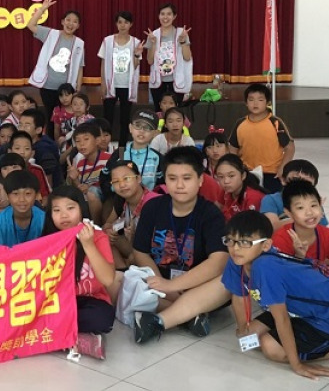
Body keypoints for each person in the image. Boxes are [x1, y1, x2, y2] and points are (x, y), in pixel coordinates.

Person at [220, 211, 329, 380]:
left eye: (245, 242)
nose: (235, 248)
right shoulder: (238, 259)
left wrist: (296, 364)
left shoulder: (266, 267)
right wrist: (243, 329)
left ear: (266, 245)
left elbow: (282, 319)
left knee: (271, 348)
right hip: (299, 310)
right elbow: (239, 296)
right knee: (250, 338)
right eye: (230, 240)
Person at [131, 147, 229, 343]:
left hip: (196, 286)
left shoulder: (211, 214)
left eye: (187, 178)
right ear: (165, 180)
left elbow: (218, 261)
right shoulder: (153, 207)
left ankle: (158, 321)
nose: (179, 185)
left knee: (228, 281)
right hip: (158, 282)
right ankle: (189, 315)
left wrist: (173, 285)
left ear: (200, 180)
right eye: (172, 178)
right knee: (120, 280)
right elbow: (140, 252)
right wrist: (162, 284)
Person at [42, 185, 119, 356]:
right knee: (36, 315)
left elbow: (108, 279)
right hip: (58, 302)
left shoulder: (97, 237)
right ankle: (75, 340)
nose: (64, 215)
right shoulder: (47, 240)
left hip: (90, 300)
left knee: (103, 318)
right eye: (57, 210)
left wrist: (88, 245)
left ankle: (57, 337)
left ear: (81, 209)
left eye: (70, 208)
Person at [27, 0, 85, 137]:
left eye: (75, 21)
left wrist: (78, 87)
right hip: (47, 85)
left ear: (78, 26)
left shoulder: (79, 43)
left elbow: (79, 66)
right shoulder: (51, 34)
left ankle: (65, 142)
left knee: (66, 117)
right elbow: (31, 25)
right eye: (68, 20)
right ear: (62, 22)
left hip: (66, 89)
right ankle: (51, 143)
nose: (71, 24)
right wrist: (42, 9)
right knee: (51, 117)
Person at [229, 83, 295, 194]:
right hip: (248, 172)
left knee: (270, 201)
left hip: (272, 173)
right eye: (251, 100)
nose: (255, 103)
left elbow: (290, 147)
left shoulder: (275, 122)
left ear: (267, 102)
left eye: (260, 100)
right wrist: (237, 169)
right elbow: (233, 148)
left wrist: (282, 168)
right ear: (246, 103)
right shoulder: (240, 123)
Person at [99, 10, 144, 150]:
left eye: (126, 22)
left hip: (126, 85)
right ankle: (104, 148)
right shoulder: (108, 41)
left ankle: (122, 149)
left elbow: (136, 66)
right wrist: (103, 83)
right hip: (111, 84)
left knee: (125, 119)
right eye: (120, 22)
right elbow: (103, 63)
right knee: (107, 118)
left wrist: (137, 54)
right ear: (116, 24)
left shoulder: (136, 42)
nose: (123, 25)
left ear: (131, 24)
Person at [101, 159, 159, 267]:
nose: (122, 185)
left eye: (126, 178)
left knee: (134, 257)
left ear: (138, 178)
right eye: (116, 181)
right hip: (133, 247)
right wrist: (109, 231)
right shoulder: (121, 200)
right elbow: (107, 225)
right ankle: (122, 270)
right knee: (103, 238)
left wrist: (134, 238)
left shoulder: (155, 203)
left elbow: (159, 242)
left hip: (154, 253)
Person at [145, 3, 193, 106]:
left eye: (169, 14)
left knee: (175, 111)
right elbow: (149, 61)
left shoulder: (181, 33)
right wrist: (153, 43)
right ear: (158, 16)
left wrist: (183, 41)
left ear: (174, 16)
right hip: (158, 82)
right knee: (159, 111)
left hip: (176, 81)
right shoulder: (153, 35)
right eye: (162, 14)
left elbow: (187, 57)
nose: (165, 17)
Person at [260, 159, 328, 229]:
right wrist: (304, 218)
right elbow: (273, 228)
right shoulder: (271, 200)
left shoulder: (313, 202)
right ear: (283, 180)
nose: (300, 185)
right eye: (295, 179)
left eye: (306, 183)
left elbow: (322, 230)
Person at [66, 123, 111, 223]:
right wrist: (74, 179)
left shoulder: (108, 159)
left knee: (92, 192)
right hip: (88, 199)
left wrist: (89, 187)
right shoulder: (80, 163)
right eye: (78, 141)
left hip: (106, 197)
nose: (81, 144)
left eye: (86, 139)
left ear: (97, 140)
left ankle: (97, 225)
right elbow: (80, 188)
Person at [0, 170, 45, 247]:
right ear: (7, 196)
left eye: (28, 193)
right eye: (15, 194)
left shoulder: (44, 220)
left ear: (37, 195)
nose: (21, 199)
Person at [215, 153, 267, 221]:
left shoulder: (253, 197)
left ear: (243, 176)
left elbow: (249, 225)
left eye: (231, 176)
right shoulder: (225, 190)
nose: (226, 181)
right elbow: (214, 212)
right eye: (221, 177)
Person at [123, 109, 162, 190]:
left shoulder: (157, 157)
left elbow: (161, 184)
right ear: (130, 128)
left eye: (147, 127)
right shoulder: (120, 153)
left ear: (155, 133)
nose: (141, 131)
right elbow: (107, 178)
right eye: (138, 126)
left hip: (150, 197)